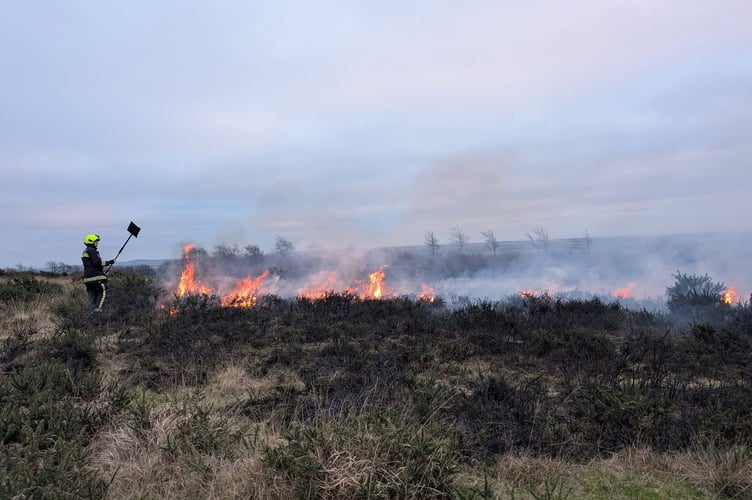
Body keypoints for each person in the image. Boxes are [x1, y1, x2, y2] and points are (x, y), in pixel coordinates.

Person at [81, 234, 117, 311]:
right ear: (91, 242)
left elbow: (92, 266)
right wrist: (109, 262)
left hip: (88, 280)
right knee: (103, 293)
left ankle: (90, 315)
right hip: (97, 279)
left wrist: (102, 272)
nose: (97, 243)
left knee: (92, 299)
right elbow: (97, 263)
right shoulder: (92, 250)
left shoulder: (85, 251)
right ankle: (98, 313)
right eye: (96, 241)